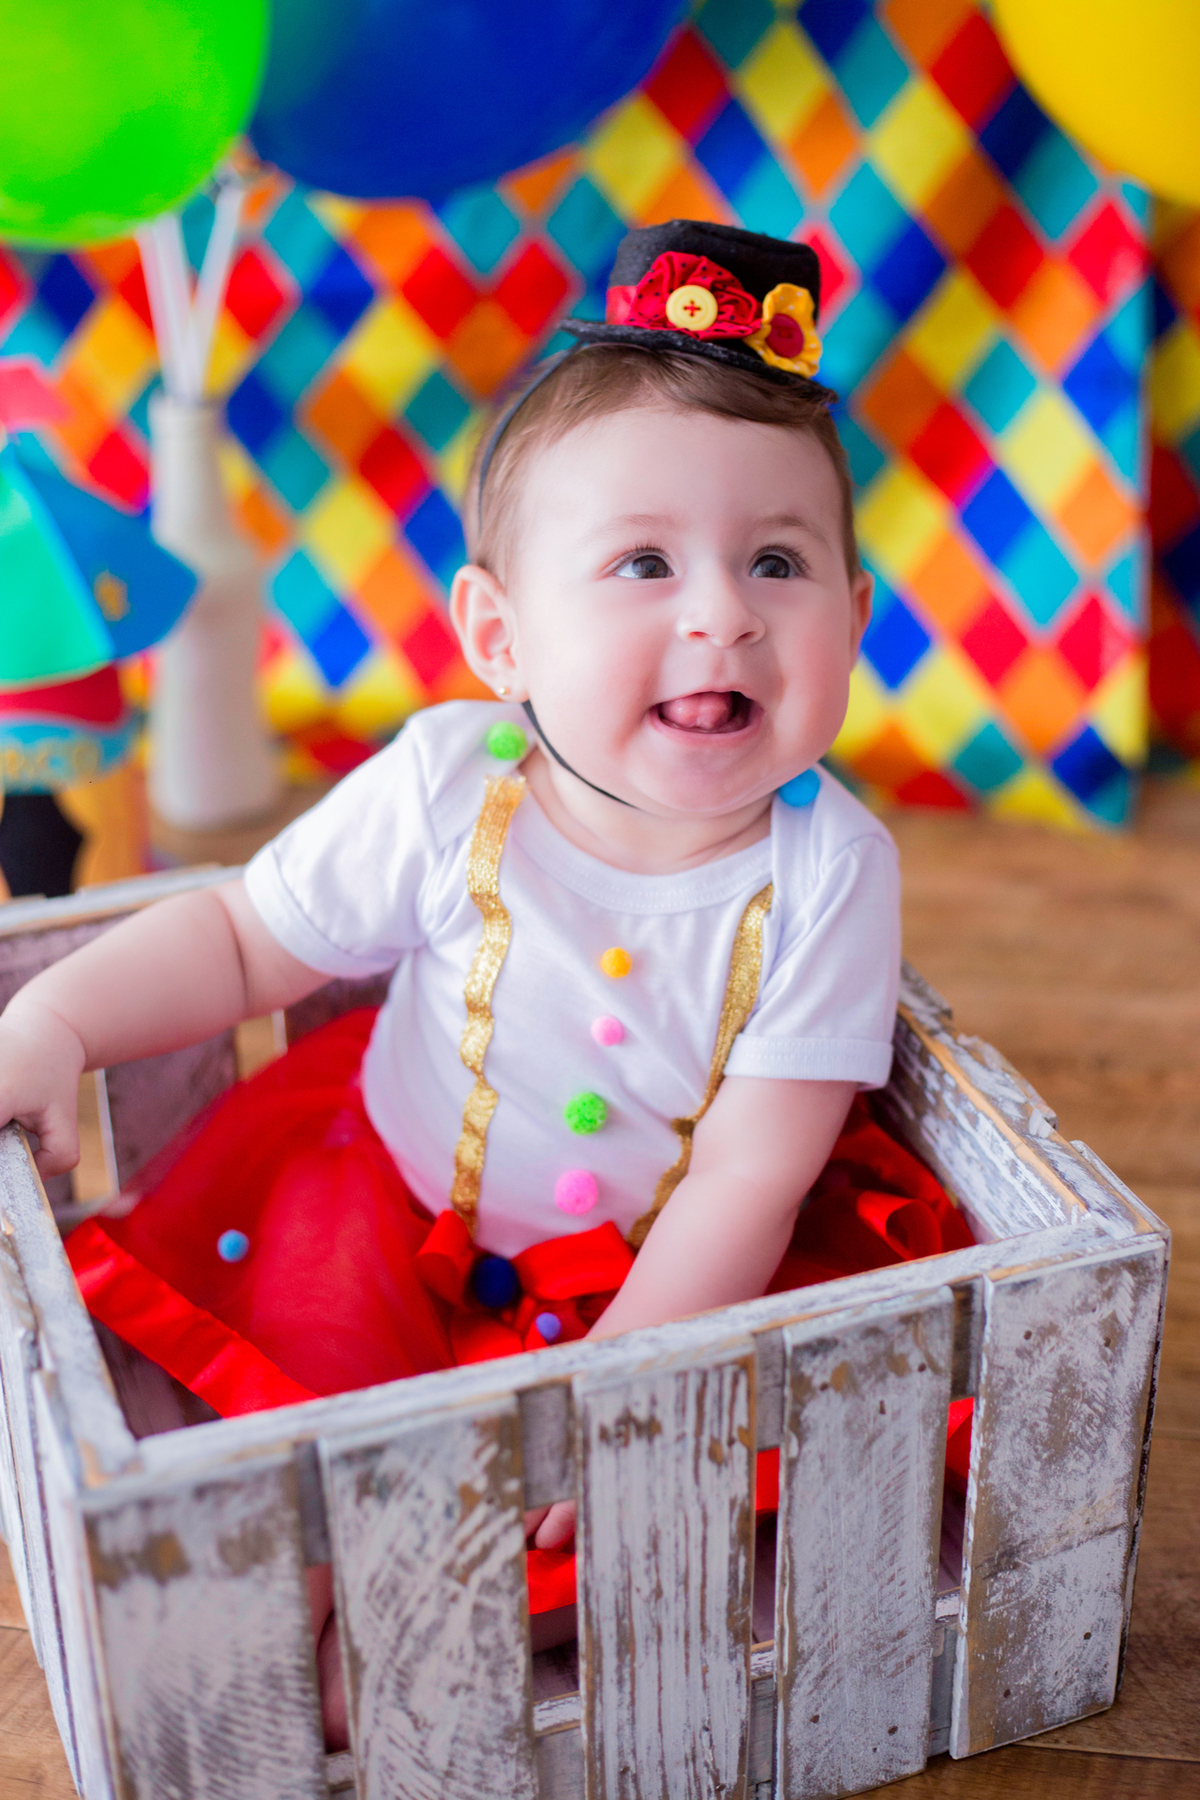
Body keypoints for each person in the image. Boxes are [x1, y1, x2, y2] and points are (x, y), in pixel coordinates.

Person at [0, 221, 957, 1745]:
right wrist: (56, 1019)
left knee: (647, 1522)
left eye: (779, 561)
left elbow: (746, 1179)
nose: (721, 611)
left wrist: (621, 1398)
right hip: (381, 1206)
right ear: (500, 637)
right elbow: (247, 940)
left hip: (663, 1276)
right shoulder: (457, 780)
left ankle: (487, 1651)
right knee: (321, 1441)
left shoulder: (828, 868)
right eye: (643, 562)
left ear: (851, 618)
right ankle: (309, 1631)